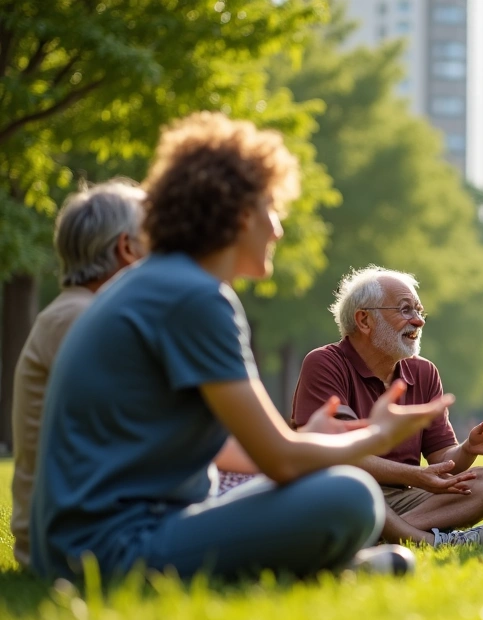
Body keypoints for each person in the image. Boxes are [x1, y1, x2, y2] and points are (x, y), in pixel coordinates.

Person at [28, 112, 449, 581]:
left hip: (80, 544)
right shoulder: (193, 296)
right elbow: (281, 460)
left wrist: (313, 437)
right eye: (271, 208)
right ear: (239, 212)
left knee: (330, 486)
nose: (277, 229)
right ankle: (333, 568)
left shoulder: (159, 283)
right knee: (351, 495)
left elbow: (268, 451)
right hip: (109, 552)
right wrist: (376, 435)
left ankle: (336, 568)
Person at [292, 266, 483, 548]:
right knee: (354, 483)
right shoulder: (324, 363)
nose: (418, 321)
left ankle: (373, 534)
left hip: (403, 499)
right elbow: (338, 456)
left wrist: (468, 449)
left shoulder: (424, 372)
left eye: (419, 311)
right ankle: (423, 540)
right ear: (364, 320)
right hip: (343, 489)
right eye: (406, 310)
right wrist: (415, 476)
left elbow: (441, 461)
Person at [9, 179, 148, 567]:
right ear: (127, 249)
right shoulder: (81, 318)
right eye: (155, 234)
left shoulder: (76, 312)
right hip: (72, 543)